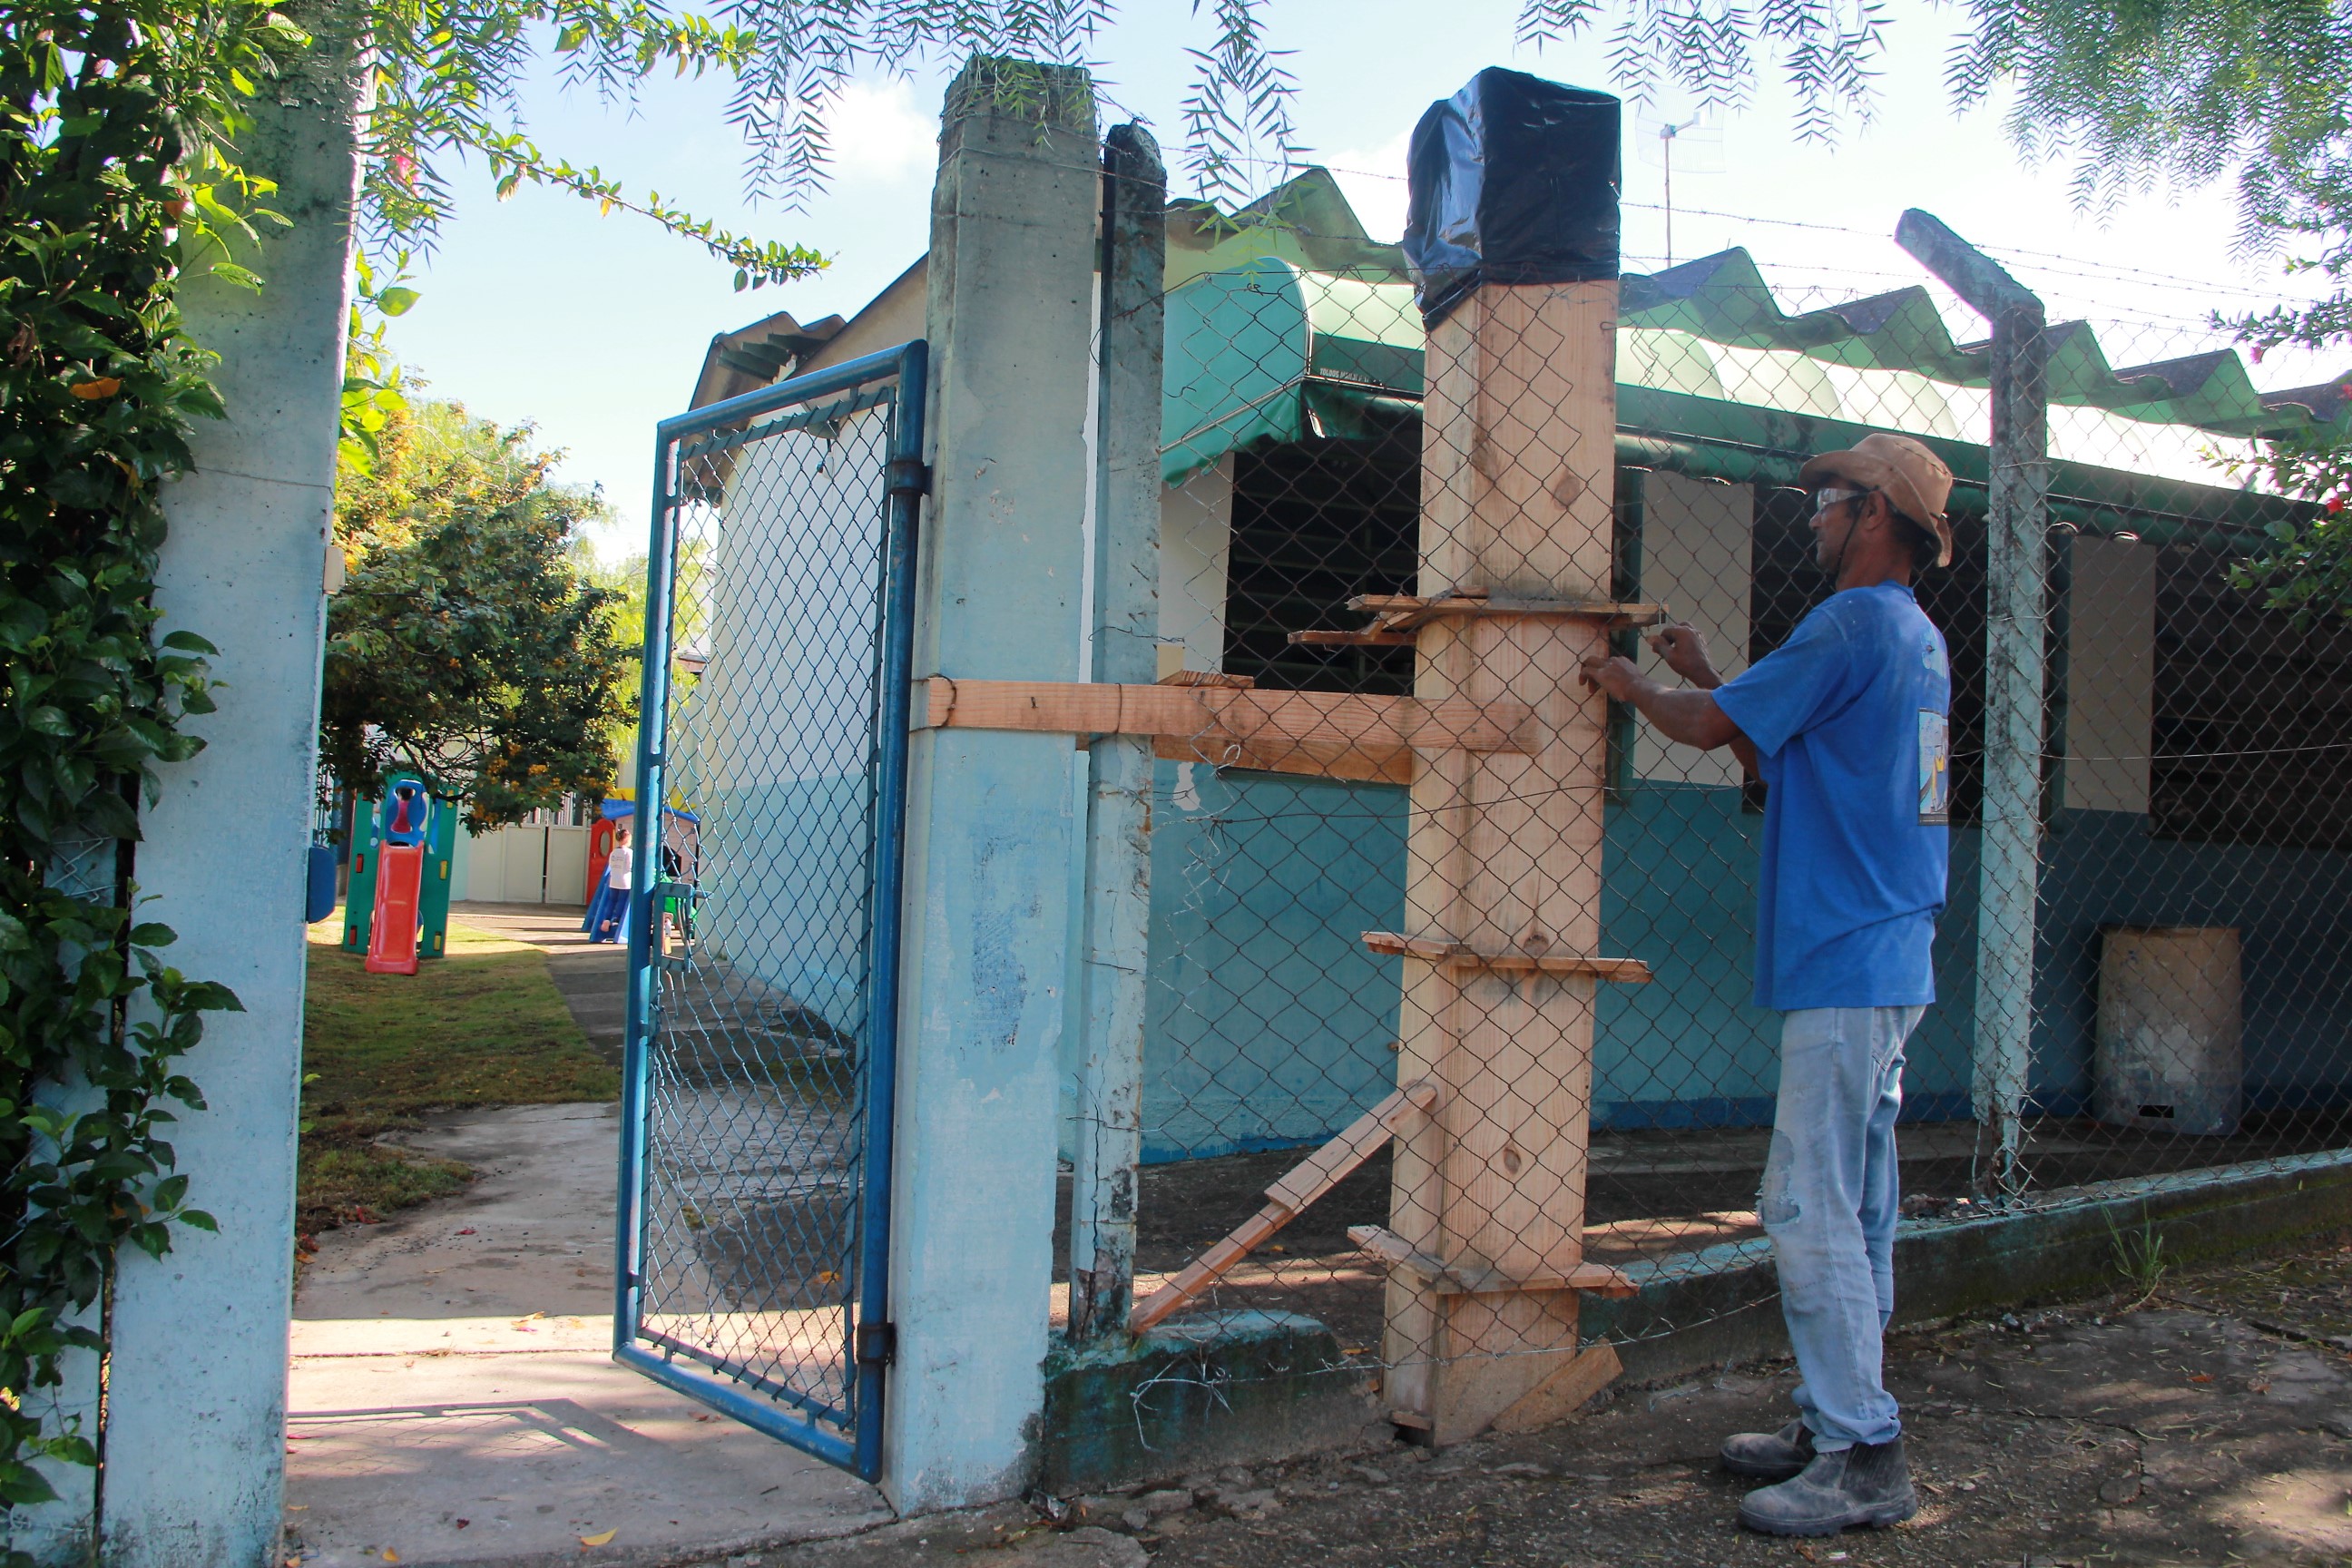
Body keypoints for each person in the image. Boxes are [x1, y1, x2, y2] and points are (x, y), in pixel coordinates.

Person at [1579, 432, 1955, 1537]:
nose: (1815, 518)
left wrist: (1631, 683)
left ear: (1875, 511)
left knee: (1802, 1205)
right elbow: (1768, 747)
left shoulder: (1846, 620)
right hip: (1892, 950)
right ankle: (1837, 1417)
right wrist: (1703, 680)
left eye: (1828, 500)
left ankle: (1864, 1454)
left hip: (1846, 956)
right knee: (1862, 1205)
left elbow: (1705, 733)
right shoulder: (1914, 640)